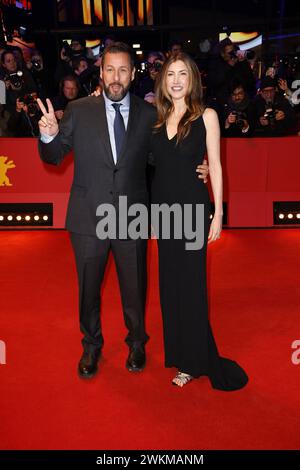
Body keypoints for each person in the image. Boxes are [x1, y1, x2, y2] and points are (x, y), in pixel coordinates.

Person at [36, 42, 210, 380]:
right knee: (88, 289)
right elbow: (56, 155)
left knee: (135, 286)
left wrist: (197, 166)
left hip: (132, 216)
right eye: (110, 70)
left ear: (133, 74)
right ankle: (91, 344)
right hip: (88, 216)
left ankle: (136, 341)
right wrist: (48, 136)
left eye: (123, 70)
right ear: (101, 72)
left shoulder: (150, 116)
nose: (116, 77)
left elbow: (162, 159)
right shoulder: (78, 110)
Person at [151, 53, 248, 390]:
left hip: (192, 211)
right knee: (169, 286)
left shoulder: (206, 115)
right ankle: (178, 353)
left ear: (192, 79)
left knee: (191, 287)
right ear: (163, 81)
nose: (176, 80)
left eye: (182, 74)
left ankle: (193, 362)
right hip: (163, 214)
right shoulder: (157, 118)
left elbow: (216, 166)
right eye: (170, 75)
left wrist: (217, 213)